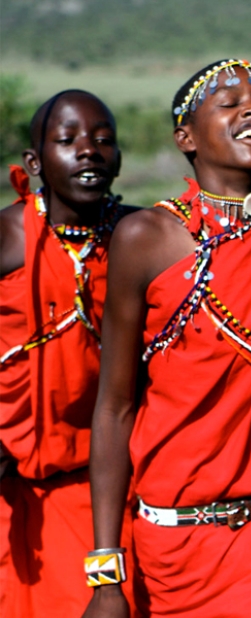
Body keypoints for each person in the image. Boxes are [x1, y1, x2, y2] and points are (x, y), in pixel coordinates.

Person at [82, 59, 251, 617]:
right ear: (185, 137)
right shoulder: (145, 239)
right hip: (178, 547)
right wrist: (106, 574)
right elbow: (115, 408)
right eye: (230, 103)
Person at [0, 90, 137, 617]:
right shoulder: (9, 236)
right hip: (23, 491)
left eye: (104, 141)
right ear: (34, 162)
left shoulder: (140, 235)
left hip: (121, 482)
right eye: (68, 140)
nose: (89, 152)